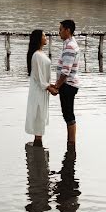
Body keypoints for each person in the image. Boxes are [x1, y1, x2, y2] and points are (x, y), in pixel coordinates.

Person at [48, 19, 80, 147]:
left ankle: (71, 143)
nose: (59, 32)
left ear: (68, 30)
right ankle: (70, 143)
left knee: (68, 115)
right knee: (67, 114)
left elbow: (65, 72)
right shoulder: (69, 44)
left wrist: (56, 87)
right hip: (68, 84)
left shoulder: (70, 47)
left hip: (68, 85)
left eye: (61, 29)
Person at [25, 29, 51, 146]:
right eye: (44, 36)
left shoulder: (41, 54)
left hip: (43, 90)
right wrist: (51, 88)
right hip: (39, 91)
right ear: (39, 39)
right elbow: (39, 78)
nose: (46, 38)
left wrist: (52, 86)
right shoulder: (36, 55)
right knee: (38, 121)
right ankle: (37, 154)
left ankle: (37, 153)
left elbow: (43, 78)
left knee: (40, 122)